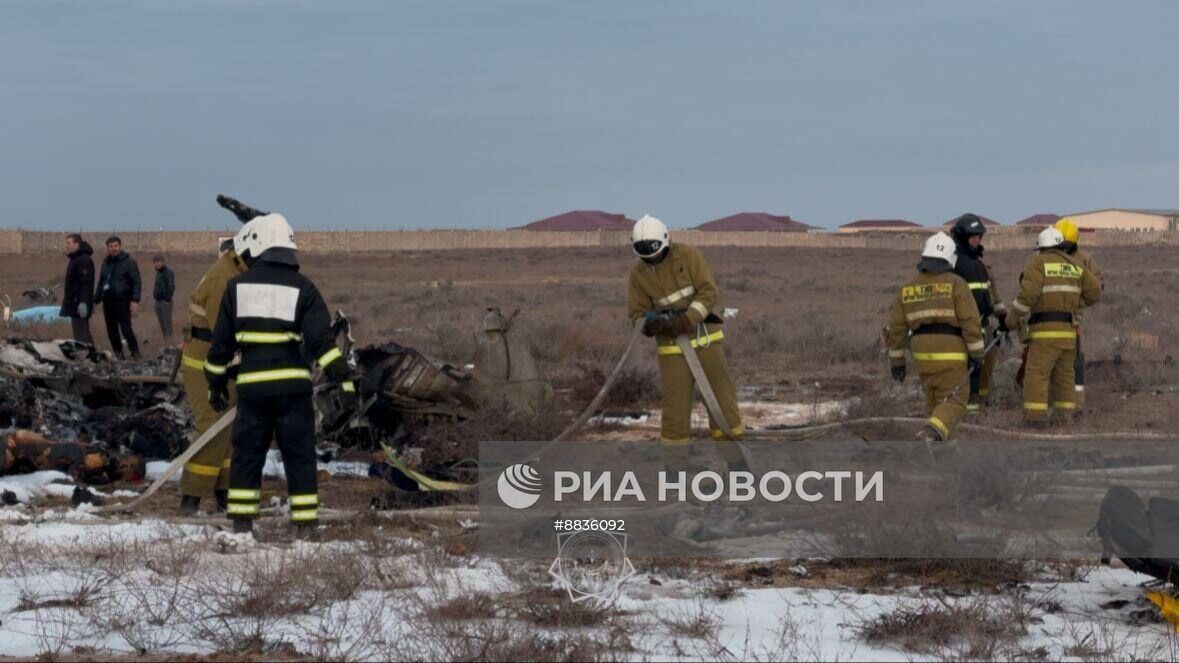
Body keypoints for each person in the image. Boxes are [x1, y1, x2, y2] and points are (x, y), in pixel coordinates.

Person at [204, 214, 354, 535]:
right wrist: (344, 378)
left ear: (256, 245)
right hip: (293, 390)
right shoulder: (305, 288)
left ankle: (242, 525)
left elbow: (219, 350)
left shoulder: (236, 288)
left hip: (252, 391)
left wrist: (215, 385)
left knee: (247, 456)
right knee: (299, 457)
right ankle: (305, 526)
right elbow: (321, 344)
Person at [625, 214, 746, 473]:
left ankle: (737, 463)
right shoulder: (638, 275)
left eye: (654, 252)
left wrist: (688, 319)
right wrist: (650, 324)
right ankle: (674, 468)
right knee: (675, 409)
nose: (650, 258)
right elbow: (636, 312)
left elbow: (708, 291)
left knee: (721, 401)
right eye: (644, 254)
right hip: (671, 349)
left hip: (705, 340)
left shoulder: (688, 256)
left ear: (665, 242)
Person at [177, 229, 253, 516]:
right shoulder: (225, 279)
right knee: (212, 426)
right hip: (206, 362)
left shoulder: (236, 270)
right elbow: (226, 330)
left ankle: (225, 492)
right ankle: (191, 497)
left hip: (223, 361)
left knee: (229, 430)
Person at [887, 232, 986, 442]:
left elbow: (895, 328)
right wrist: (978, 354)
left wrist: (897, 361)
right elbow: (970, 321)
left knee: (934, 403)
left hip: (921, 354)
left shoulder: (908, 288)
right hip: (950, 351)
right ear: (951, 257)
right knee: (956, 400)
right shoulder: (957, 284)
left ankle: (937, 454)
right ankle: (930, 433)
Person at [1005, 227, 1101, 427]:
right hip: (1068, 334)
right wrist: (1074, 304)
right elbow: (1095, 292)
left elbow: (1027, 295)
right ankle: (1064, 418)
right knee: (1065, 377)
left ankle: (1035, 418)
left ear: (1040, 247)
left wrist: (1011, 320)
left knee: (1037, 374)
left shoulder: (1037, 262)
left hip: (1045, 332)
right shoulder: (1074, 264)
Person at [948, 214, 1007, 413]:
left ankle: (980, 404)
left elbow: (990, 293)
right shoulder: (954, 263)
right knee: (967, 369)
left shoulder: (979, 264)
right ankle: (966, 409)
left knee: (984, 366)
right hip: (962, 328)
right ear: (962, 236)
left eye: (979, 236)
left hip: (984, 325)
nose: (976, 239)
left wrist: (1002, 317)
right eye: (972, 236)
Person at [1055, 217, 1103, 411]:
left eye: (1068, 246)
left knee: (1075, 359)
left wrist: (1078, 301)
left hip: (1072, 319)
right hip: (1049, 316)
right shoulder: (1046, 258)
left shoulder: (1084, 260)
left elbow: (1097, 286)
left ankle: (1077, 400)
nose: (1064, 249)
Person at [94, 236, 142, 359]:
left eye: (115, 246)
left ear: (119, 246)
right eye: (111, 246)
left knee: (126, 329)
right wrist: (96, 299)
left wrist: (135, 300)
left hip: (122, 302)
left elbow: (136, 282)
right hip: (108, 302)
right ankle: (119, 356)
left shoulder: (129, 262)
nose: (113, 249)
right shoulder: (106, 263)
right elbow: (101, 282)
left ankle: (135, 353)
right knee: (112, 332)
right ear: (107, 248)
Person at [60, 233, 95, 345]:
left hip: (79, 303)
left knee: (81, 335)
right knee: (81, 332)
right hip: (74, 302)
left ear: (77, 244)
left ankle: (87, 357)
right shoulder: (75, 259)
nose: (67, 246)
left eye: (69, 243)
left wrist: (83, 302)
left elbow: (86, 283)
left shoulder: (83, 259)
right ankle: (92, 354)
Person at [152, 255, 176, 342]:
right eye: (155, 262)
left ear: (163, 262)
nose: (157, 264)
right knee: (162, 324)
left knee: (167, 324)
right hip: (157, 302)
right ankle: (165, 341)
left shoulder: (168, 272)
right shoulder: (158, 273)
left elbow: (171, 287)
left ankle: (169, 343)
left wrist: (167, 299)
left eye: (158, 262)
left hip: (165, 302)